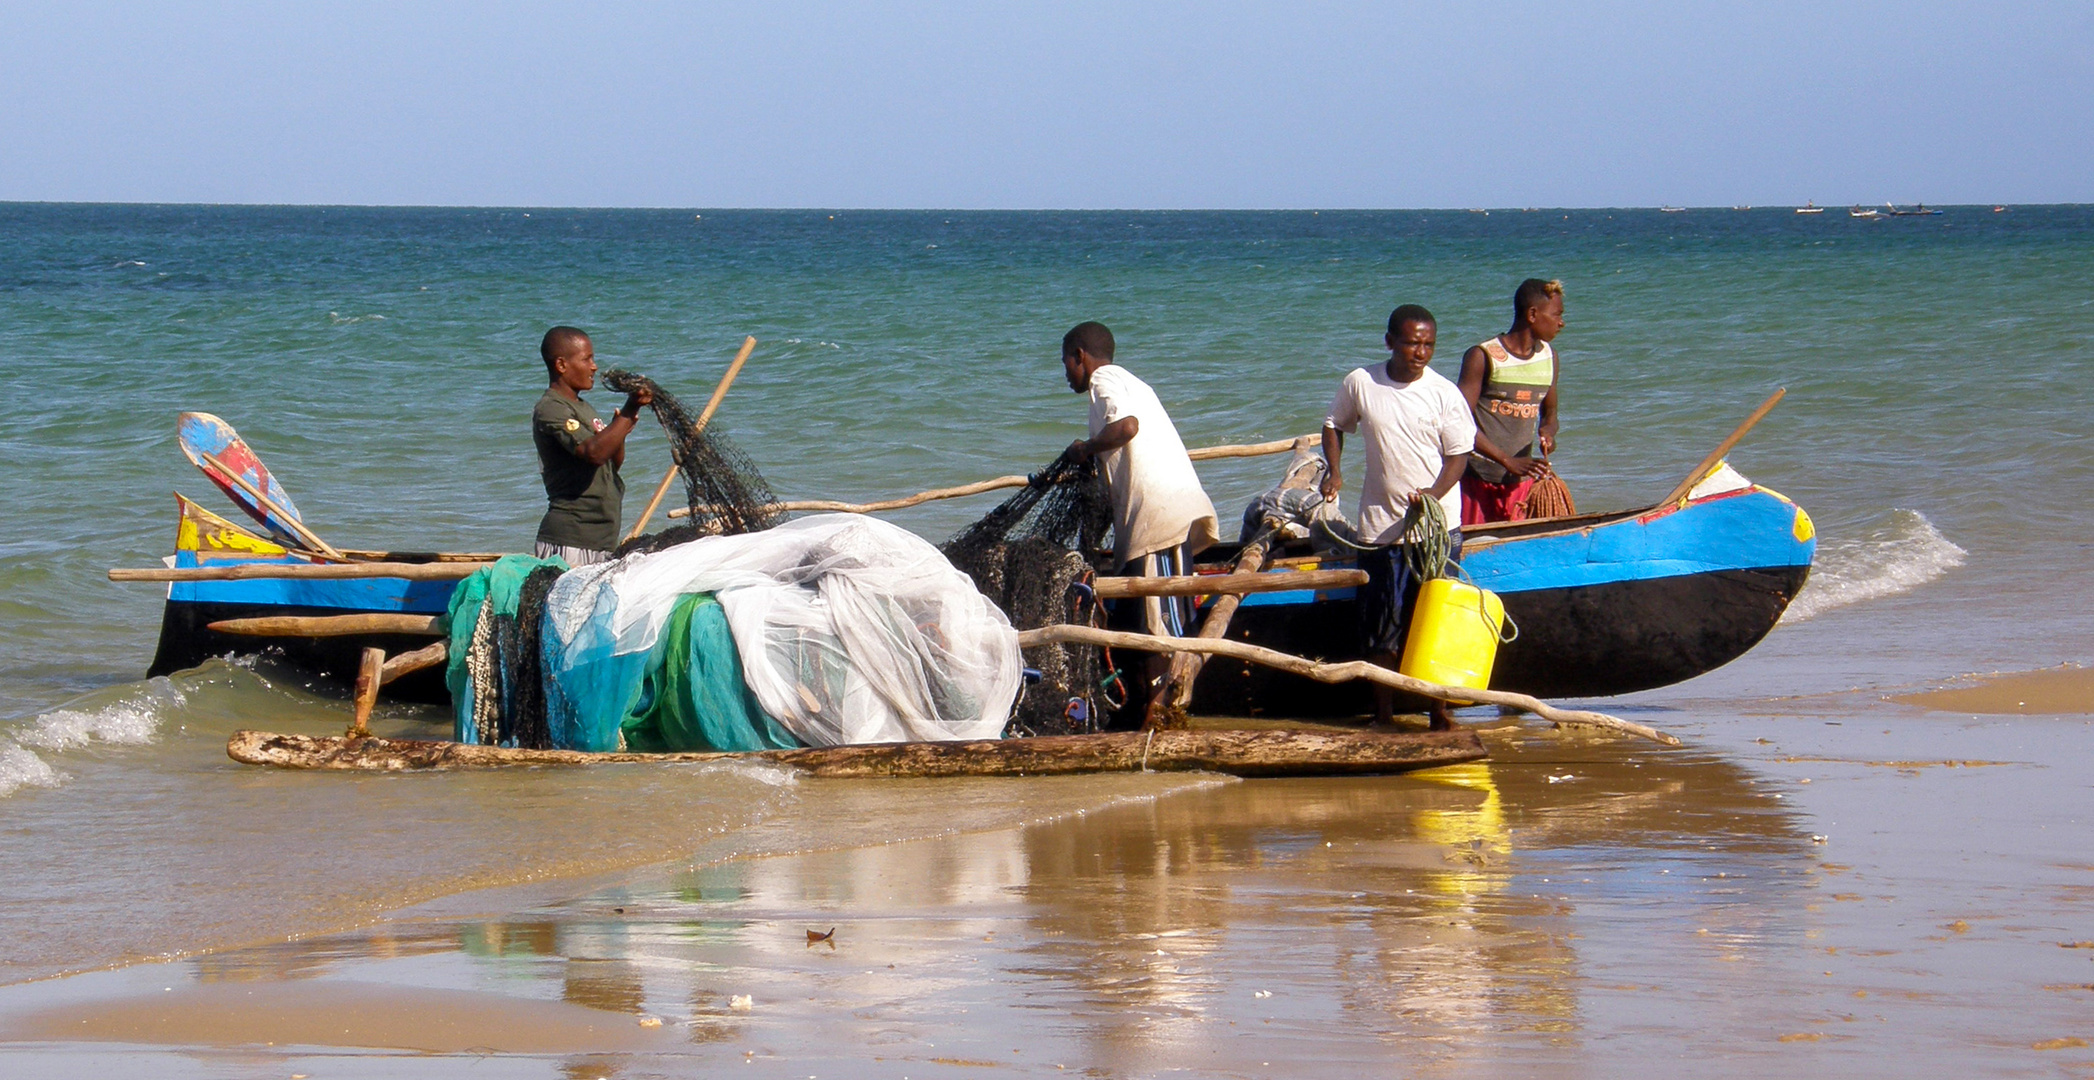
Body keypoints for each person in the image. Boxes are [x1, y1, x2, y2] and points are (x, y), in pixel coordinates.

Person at [1320, 304, 1476, 729]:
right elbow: (1333, 425)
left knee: (1434, 621)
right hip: (1380, 530)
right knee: (1381, 625)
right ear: (1389, 342)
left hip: (1437, 528)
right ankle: (1383, 713)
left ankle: (1439, 712)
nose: (1420, 352)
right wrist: (1335, 471)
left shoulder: (1445, 393)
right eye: (1411, 343)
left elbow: (1459, 457)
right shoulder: (1361, 382)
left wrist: (1432, 495)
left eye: (1428, 344)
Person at [1061, 321, 1219, 719]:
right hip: (1165, 512)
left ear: (1080, 356)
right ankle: (1157, 711)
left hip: (1157, 515)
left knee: (1157, 629)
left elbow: (1126, 428)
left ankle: (1157, 717)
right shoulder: (1135, 383)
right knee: (1157, 619)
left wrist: (1086, 448)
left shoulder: (1105, 379)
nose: (1065, 373)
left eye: (1066, 363)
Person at [532, 326, 651, 566]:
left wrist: (621, 430)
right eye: (587, 359)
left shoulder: (584, 408)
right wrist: (628, 411)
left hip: (601, 540)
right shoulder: (551, 408)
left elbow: (611, 463)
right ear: (561, 365)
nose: (594, 366)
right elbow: (593, 453)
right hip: (570, 541)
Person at [1456, 278, 1563, 524]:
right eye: (1556, 314)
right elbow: (1458, 422)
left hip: (1520, 485)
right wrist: (1506, 460)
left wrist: (1548, 432)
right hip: (1477, 479)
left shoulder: (1550, 358)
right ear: (1533, 314)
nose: (1561, 322)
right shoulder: (1483, 356)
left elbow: (1551, 413)